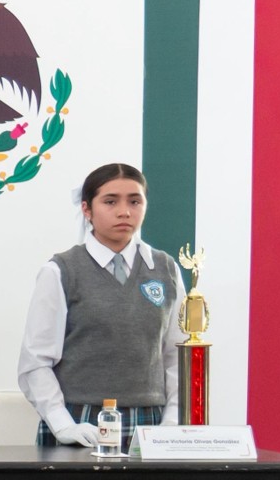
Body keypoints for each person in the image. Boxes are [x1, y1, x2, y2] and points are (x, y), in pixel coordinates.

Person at [17, 163, 184, 451]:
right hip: (80, 422)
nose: (124, 211)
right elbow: (35, 362)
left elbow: (176, 354)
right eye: (110, 201)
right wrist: (63, 424)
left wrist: (171, 422)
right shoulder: (61, 271)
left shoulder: (165, 269)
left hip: (150, 422)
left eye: (135, 201)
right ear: (86, 209)